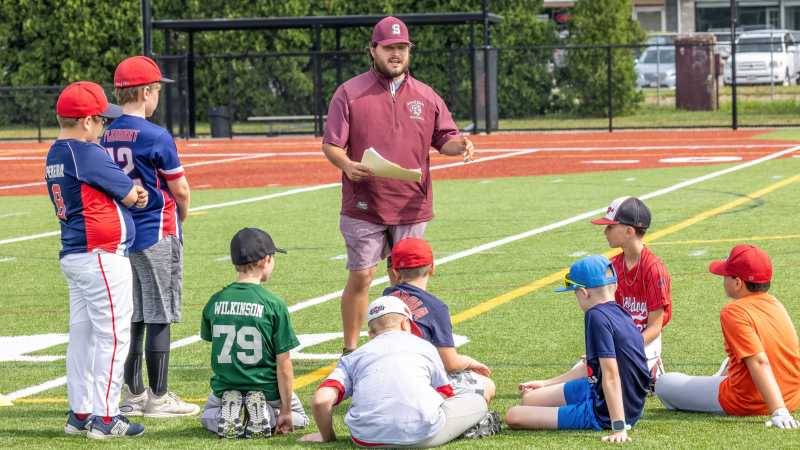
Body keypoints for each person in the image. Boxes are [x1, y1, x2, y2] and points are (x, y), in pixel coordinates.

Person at [322, 16, 476, 355]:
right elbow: (331, 145)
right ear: (372, 50)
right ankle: (350, 350)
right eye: (389, 48)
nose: (396, 54)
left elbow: (444, 138)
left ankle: (403, 346)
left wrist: (460, 144)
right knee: (362, 276)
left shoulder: (427, 94)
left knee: (406, 281)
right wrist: (347, 165)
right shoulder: (348, 92)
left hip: (411, 204)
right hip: (364, 203)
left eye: (402, 48)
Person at [46, 81, 148, 439]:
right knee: (113, 336)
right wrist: (136, 197)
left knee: (84, 335)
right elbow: (131, 192)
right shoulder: (85, 152)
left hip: (78, 253)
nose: (105, 127)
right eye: (102, 121)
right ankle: (106, 417)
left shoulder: (57, 152)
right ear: (86, 121)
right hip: (100, 254)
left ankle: (81, 411)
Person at [101, 55, 195, 417]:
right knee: (159, 312)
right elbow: (180, 189)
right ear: (145, 92)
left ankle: (133, 391)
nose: (157, 97)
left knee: (132, 313)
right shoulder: (156, 134)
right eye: (155, 90)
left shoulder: (107, 132)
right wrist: (181, 217)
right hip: (156, 228)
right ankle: (159, 396)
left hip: (122, 232)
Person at [301, 295, 498, 447]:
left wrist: (328, 438)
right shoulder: (424, 346)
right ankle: (464, 428)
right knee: (476, 400)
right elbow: (445, 394)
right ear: (406, 324)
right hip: (422, 435)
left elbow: (321, 400)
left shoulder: (353, 356)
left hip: (366, 439)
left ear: (370, 334)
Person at [506, 255, 650, 443]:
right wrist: (545, 382)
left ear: (583, 292)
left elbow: (611, 374)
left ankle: (601, 416)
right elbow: (593, 366)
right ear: (613, 285)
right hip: (614, 398)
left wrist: (619, 427)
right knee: (529, 398)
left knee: (513, 415)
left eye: (574, 293)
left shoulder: (595, 316)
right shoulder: (620, 312)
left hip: (605, 411)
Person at [655, 245, 800, 428]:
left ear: (738, 283)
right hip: (792, 396)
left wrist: (778, 410)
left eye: (726, 275)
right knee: (735, 359)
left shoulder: (733, 311)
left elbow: (759, 361)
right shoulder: (776, 303)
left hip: (749, 401)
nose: (723, 279)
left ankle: (723, 377)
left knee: (663, 383)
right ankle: (725, 374)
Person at [199, 227, 309, 438]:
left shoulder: (216, 300)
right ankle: (263, 414)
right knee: (299, 417)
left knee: (207, 416)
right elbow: (284, 363)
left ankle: (234, 415)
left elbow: (210, 338)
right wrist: (285, 409)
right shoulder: (273, 304)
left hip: (226, 387)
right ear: (265, 260)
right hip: (265, 388)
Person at [383, 237, 497, 403]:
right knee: (487, 385)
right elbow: (450, 363)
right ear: (432, 268)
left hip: (388, 381)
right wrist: (470, 362)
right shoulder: (437, 307)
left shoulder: (386, 297)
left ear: (394, 272)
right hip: (418, 384)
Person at [591, 196, 672, 384]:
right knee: (591, 373)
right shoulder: (613, 265)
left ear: (629, 231)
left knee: (607, 377)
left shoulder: (654, 268)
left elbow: (655, 327)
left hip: (644, 341)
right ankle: (543, 386)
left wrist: (625, 347)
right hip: (619, 341)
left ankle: (652, 367)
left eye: (610, 226)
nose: (605, 231)